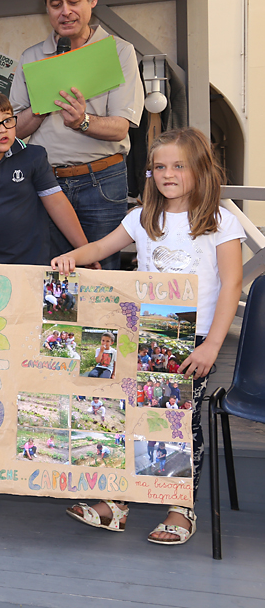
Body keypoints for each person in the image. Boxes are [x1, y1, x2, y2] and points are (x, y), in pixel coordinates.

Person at [54, 127, 244, 545]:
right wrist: (72, 257)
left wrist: (212, 344)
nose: (167, 173)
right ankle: (118, 502)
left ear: (200, 169)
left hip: (193, 342)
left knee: (176, 424)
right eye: (159, 166)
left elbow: (232, 285)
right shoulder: (143, 218)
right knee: (127, 417)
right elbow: (101, 247)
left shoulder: (220, 222)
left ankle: (180, 508)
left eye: (178, 165)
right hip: (145, 337)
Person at [12, 0, 144, 268]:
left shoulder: (118, 50)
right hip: (46, 182)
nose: (65, 11)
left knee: (102, 277)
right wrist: (40, 109)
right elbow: (14, 130)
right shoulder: (31, 58)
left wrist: (82, 122)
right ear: (46, 8)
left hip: (103, 180)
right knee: (52, 276)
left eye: (74, 1)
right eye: (55, 4)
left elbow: (121, 127)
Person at [0, 90, 89, 265]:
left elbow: (57, 204)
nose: (3, 129)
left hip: (32, 263)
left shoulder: (33, 157)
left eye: (7, 120)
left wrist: (84, 251)